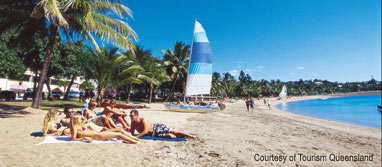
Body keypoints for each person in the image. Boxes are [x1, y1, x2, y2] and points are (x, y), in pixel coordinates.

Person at [70, 114, 140, 144]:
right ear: (75, 120)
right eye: (80, 119)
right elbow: (73, 139)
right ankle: (135, 142)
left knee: (120, 129)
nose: (82, 120)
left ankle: (135, 139)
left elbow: (85, 124)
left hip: (97, 132)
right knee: (119, 134)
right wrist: (84, 138)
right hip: (96, 136)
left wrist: (98, 129)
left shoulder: (81, 125)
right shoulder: (75, 127)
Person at [129, 110, 196, 139]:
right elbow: (132, 133)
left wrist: (136, 137)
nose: (131, 117)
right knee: (171, 136)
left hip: (157, 127)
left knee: (174, 131)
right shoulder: (133, 124)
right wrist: (131, 135)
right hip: (153, 134)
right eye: (130, 116)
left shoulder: (143, 120)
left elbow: (145, 131)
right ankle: (179, 136)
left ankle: (191, 136)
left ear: (137, 115)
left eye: (132, 116)